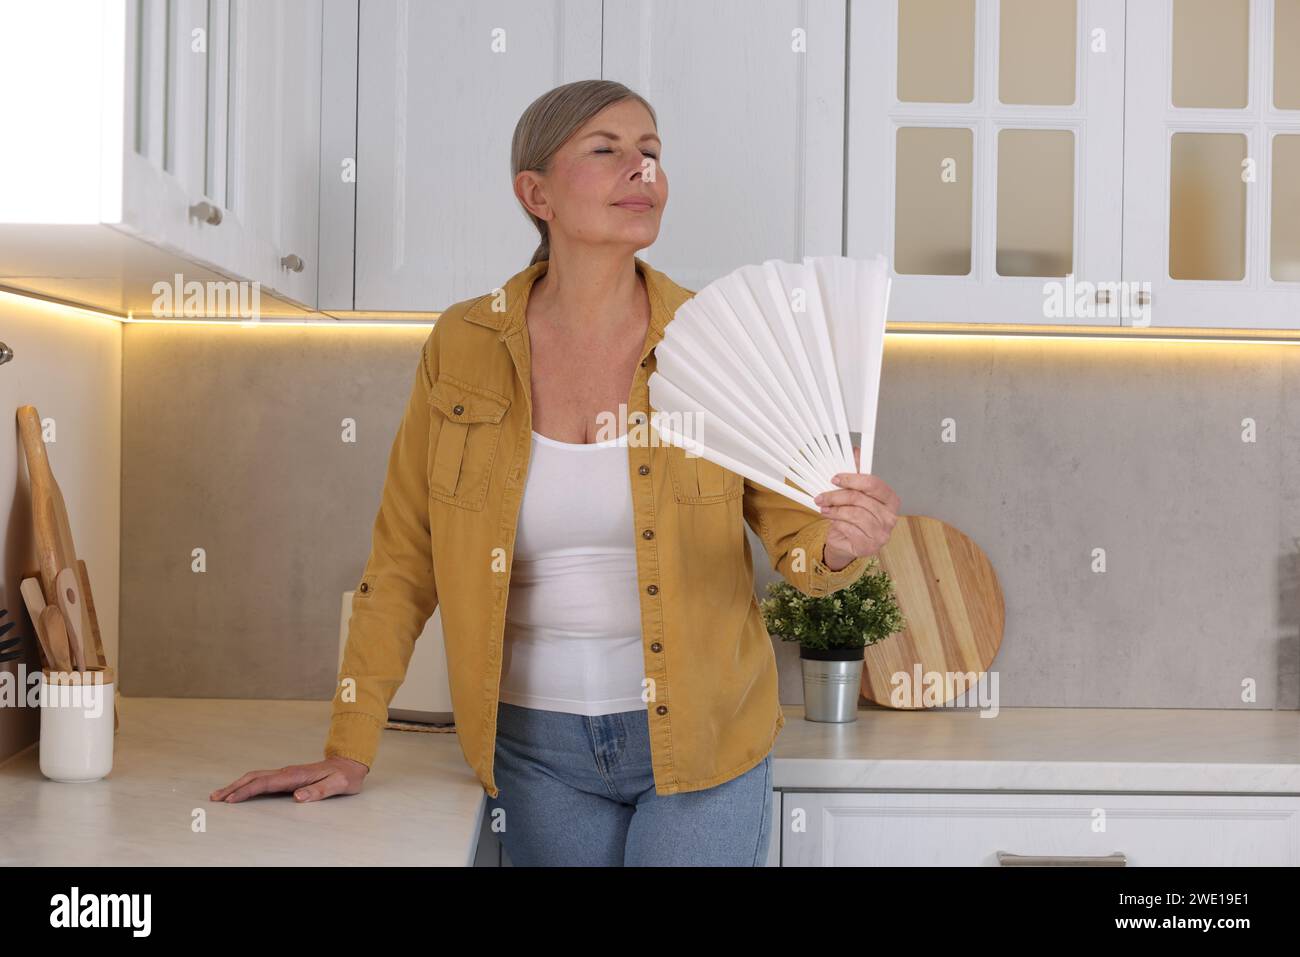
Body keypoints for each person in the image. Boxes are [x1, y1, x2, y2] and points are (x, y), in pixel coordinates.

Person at [211, 79, 900, 866]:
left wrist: (842, 544)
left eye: (651, 153)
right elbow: (403, 560)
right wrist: (349, 744)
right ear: (534, 192)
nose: (642, 171)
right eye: (606, 151)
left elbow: (797, 537)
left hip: (704, 742)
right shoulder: (463, 344)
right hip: (534, 753)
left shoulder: (716, 338)